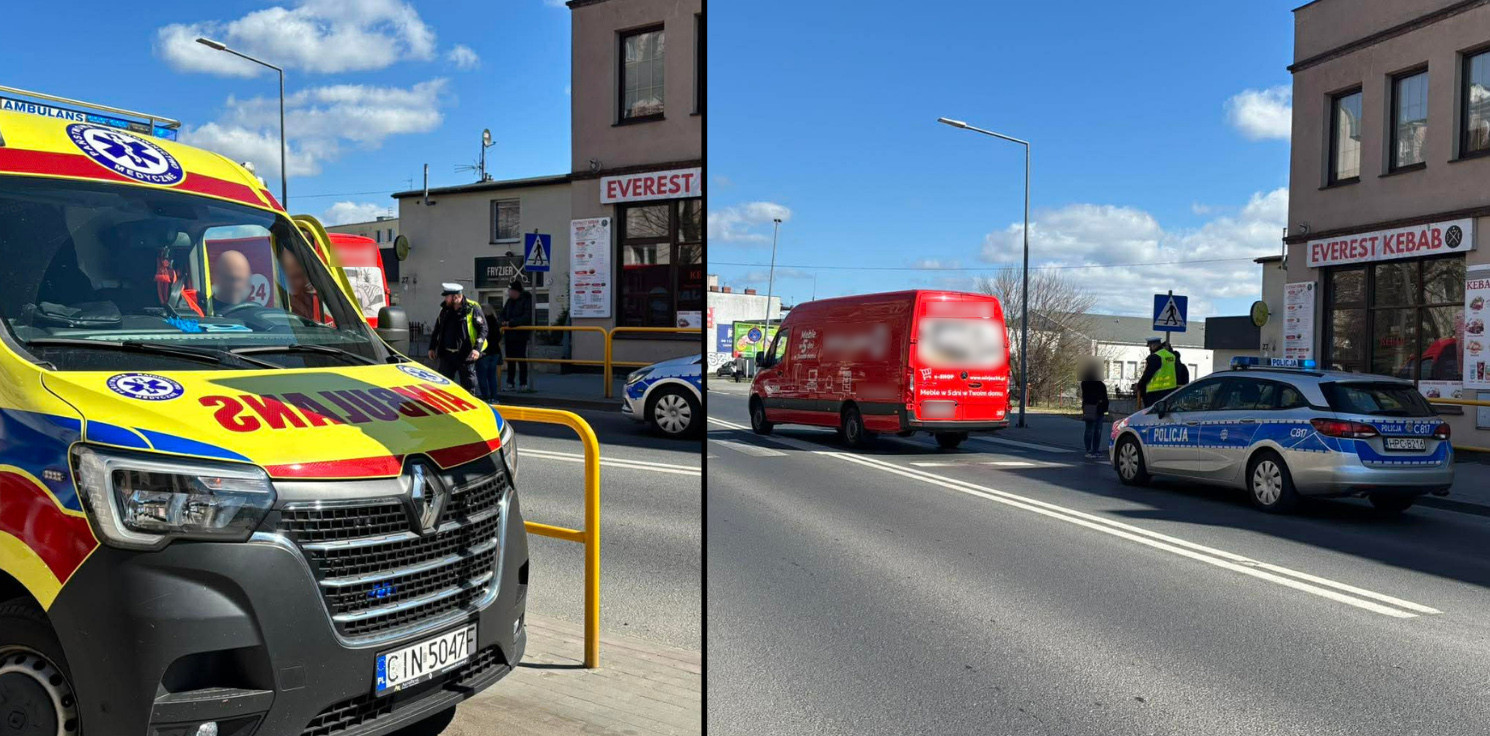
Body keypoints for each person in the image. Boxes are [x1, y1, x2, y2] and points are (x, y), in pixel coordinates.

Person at [426, 283, 487, 392]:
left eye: (447, 297)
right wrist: (432, 347)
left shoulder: (472, 308)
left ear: (456, 297)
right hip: (447, 354)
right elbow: (437, 330)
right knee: (443, 386)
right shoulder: (444, 310)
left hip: (465, 354)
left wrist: (477, 349)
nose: (445, 299)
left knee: (468, 386)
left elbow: (483, 329)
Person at [499, 279, 534, 392]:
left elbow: (527, 317)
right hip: (509, 335)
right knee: (510, 360)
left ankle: (523, 383)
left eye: (511, 290)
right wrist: (503, 322)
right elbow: (502, 314)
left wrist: (511, 323)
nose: (509, 293)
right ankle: (510, 383)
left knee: (521, 359)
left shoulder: (526, 300)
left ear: (516, 291)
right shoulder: (510, 302)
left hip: (520, 335)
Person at [1136, 336, 1179, 408]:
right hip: (1170, 390)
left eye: (1150, 346)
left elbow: (1148, 374)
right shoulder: (1171, 356)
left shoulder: (1155, 357)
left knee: (1153, 415)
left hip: (1155, 393)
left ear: (1154, 345)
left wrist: (1139, 385)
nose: (1149, 349)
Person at [1079, 359, 1110, 459]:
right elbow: (1089, 395)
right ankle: (1089, 450)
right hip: (1091, 407)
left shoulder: (1098, 383)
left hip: (1096, 408)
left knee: (1097, 430)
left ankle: (1094, 450)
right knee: (1091, 429)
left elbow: (1104, 396)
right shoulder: (1088, 382)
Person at [210, 250, 254, 314]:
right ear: (216, 278)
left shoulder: (253, 313)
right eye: (230, 279)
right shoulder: (205, 313)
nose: (235, 286)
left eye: (239, 279)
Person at [475, 304, 503, 400]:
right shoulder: (495, 321)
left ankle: (485, 397)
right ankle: (494, 397)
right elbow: (499, 337)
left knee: (482, 376)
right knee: (492, 376)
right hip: (495, 352)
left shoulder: (481, 322)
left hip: (484, 352)